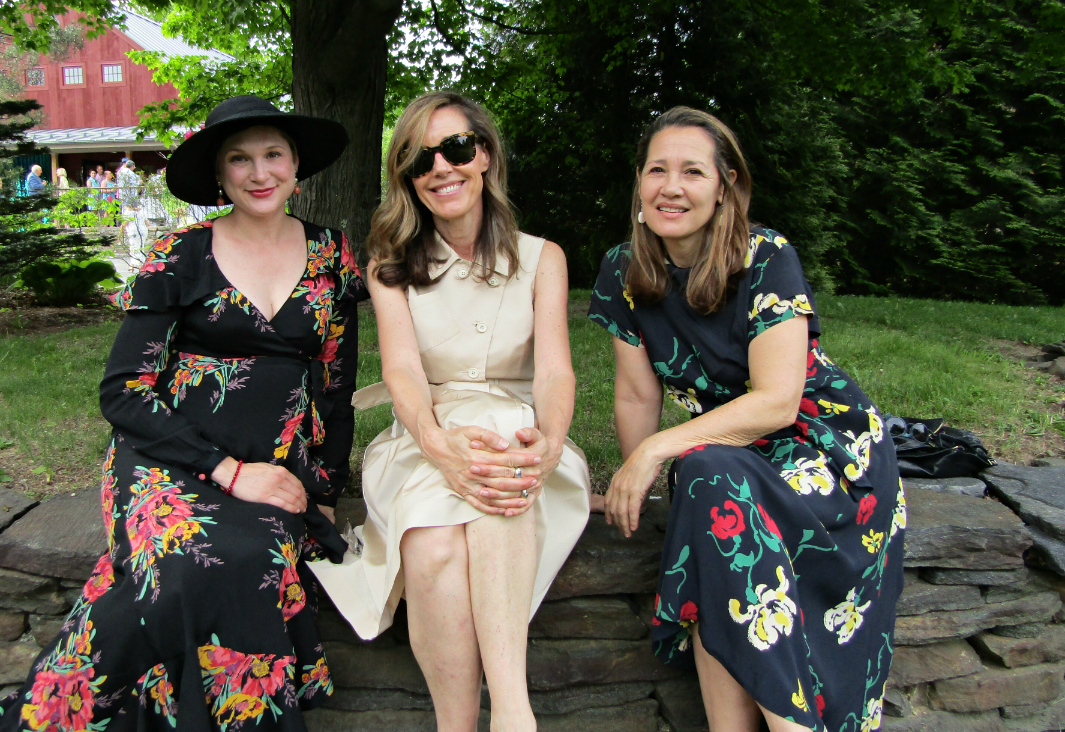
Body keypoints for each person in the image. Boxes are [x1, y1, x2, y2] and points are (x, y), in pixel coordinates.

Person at [0, 94, 360, 730]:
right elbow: (123, 391)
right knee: (189, 563)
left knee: (252, 558)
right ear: (220, 176)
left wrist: (323, 489)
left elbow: (336, 383)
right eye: (239, 159)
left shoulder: (332, 255)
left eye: (274, 154)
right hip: (169, 460)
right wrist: (224, 470)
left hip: (275, 463)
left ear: (297, 165)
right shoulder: (179, 254)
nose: (259, 172)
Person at [589, 107, 905, 732]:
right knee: (707, 492)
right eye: (657, 170)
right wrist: (637, 475)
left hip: (824, 452)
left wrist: (655, 453)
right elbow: (634, 393)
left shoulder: (764, 253)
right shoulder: (621, 268)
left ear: (725, 185)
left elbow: (777, 401)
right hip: (725, 454)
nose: (671, 187)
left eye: (692, 172)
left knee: (705, 481)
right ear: (639, 182)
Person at [309, 91, 590, 732]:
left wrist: (548, 442)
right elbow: (402, 369)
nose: (441, 167)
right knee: (432, 546)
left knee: (500, 458)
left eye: (457, 148)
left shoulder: (543, 258)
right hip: (423, 432)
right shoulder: (390, 267)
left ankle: (511, 713)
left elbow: (553, 371)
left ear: (484, 156)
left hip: (521, 428)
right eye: (419, 158)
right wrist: (436, 443)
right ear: (407, 177)